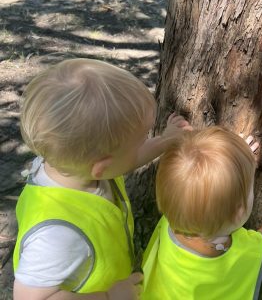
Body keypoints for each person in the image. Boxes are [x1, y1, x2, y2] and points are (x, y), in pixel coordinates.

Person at [13, 58, 191, 300]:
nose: (143, 145)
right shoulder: (57, 236)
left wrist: (165, 141)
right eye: (141, 141)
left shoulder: (69, 166)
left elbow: (128, 159)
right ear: (101, 168)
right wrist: (108, 296)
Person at [141, 126, 262, 300]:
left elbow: (199, 185)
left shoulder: (174, 218)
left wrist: (232, 160)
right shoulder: (245, 252)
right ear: (239, 212)